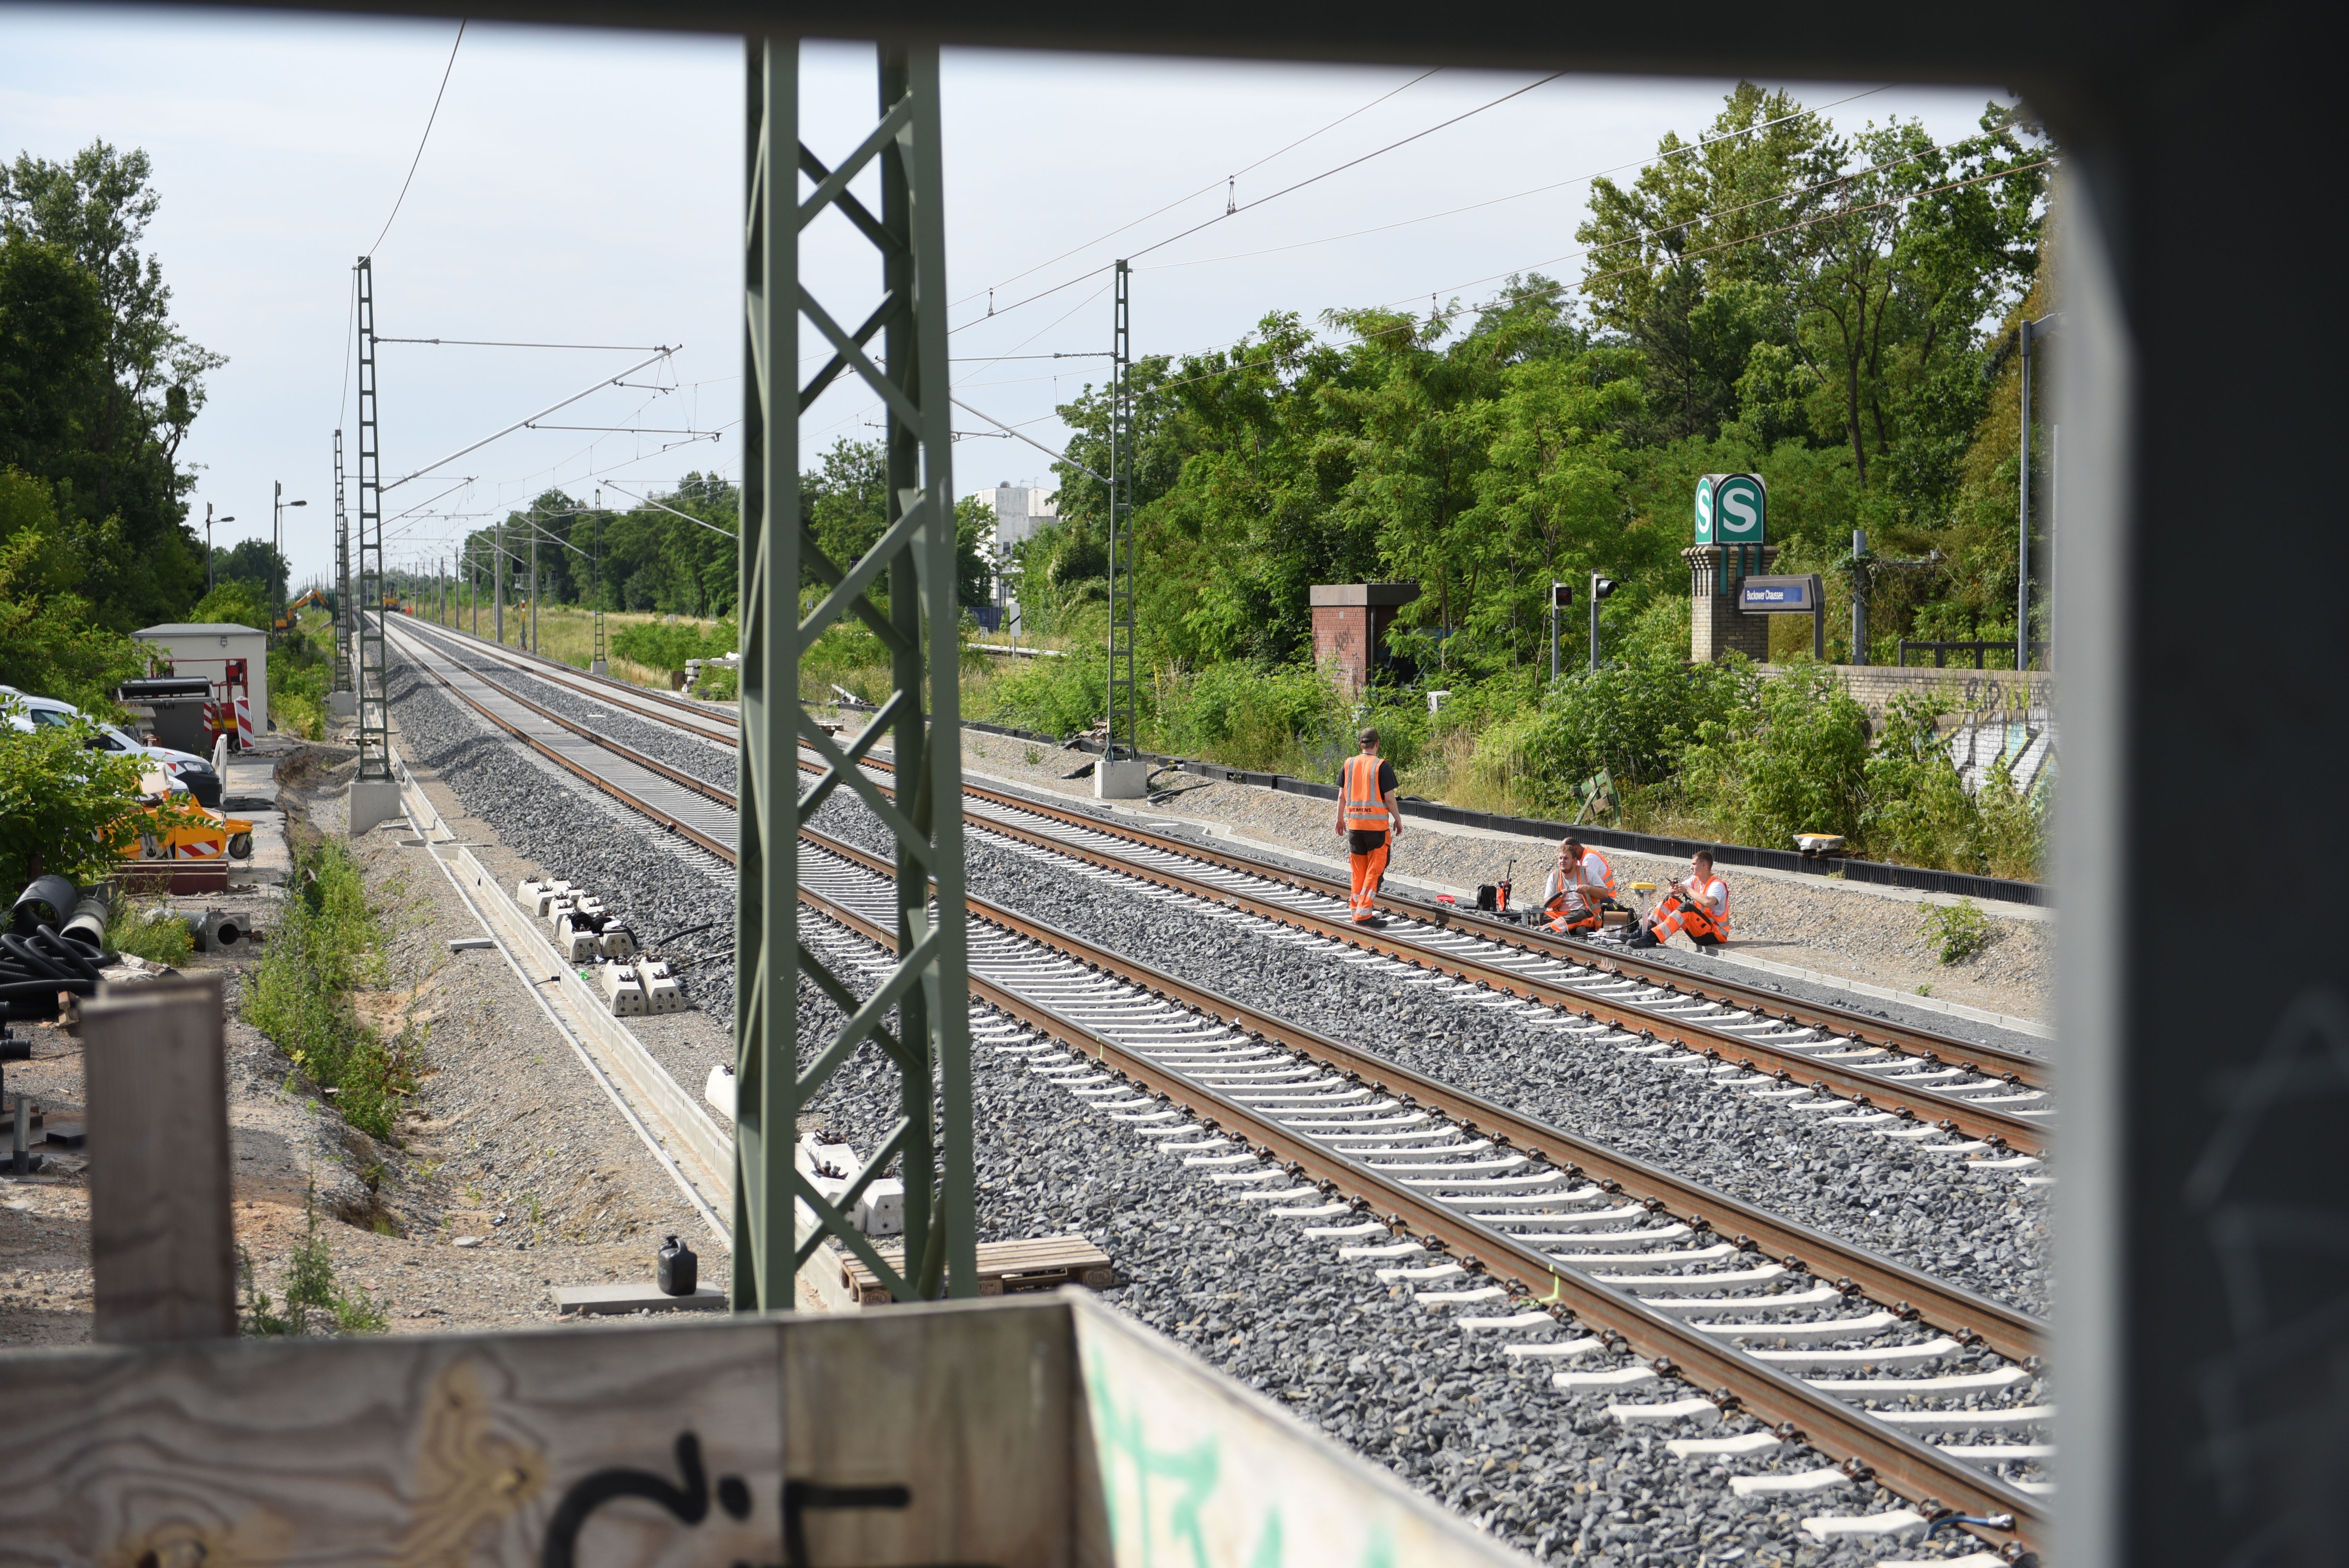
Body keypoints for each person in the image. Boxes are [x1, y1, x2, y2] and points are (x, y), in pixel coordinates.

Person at [1333, 726, 1402, 923]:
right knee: (1374, 872)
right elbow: (1389, 799)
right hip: (1377, 831)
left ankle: (1356, 909)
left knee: (1358, 871)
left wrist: (1340, 819)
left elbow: (1341, 796)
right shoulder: (1381, 766)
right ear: (1377, 744)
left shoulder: (1349, 764)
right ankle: (1364, 914)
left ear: (1360, 745)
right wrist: (1398, 819)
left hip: (1354, 828)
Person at [1630, 850, 1731, 949]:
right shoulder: (1695, 879)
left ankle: (1652, 937)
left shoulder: (1717, 885)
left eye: (1694, 864)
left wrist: (1688, 889)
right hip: (1700, 928)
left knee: (1686, 907)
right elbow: (1671, 891)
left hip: (1715, 934)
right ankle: (1644, 931)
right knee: (1670, 899)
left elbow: (1708, 902)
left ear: (1704, 865)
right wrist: (1674, 888)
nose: (1691, 868)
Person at [1541, 836, 1617, 935]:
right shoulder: (1554, 876)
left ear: (1574, 861)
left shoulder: (1587, 871)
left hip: (1581, 913)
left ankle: (1547, 929)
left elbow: (1605, 894)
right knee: (1537, 917)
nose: (1562, 861)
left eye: (1566, 858)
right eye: (1560, 858)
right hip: (1559, 914)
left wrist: (1588, 888)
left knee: (1578, 915)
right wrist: (1559, 897)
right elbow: (1547, 903)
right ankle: (1573, 928)